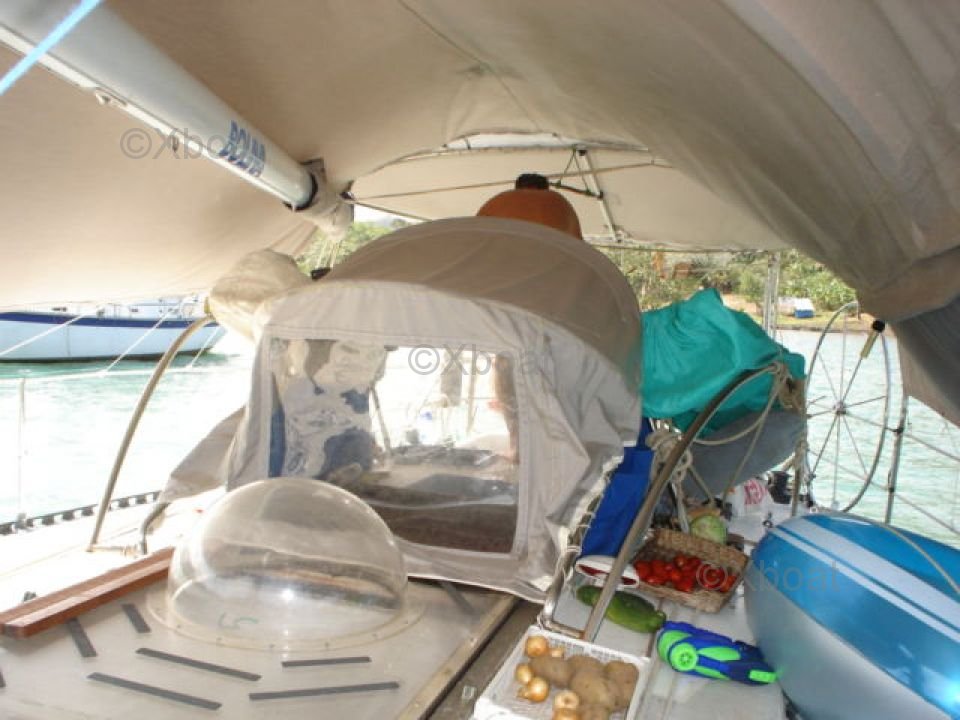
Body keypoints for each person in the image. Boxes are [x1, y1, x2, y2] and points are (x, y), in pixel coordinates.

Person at [475, 173, 585, 461]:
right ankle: (546, 452)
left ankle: (518, 447)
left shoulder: (496, 204)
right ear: (543, 187)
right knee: (543, 379)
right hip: (548, 305)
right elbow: (580, 256)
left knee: (508, 370)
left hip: (507, 302)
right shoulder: (560, 206)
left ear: (518, 186)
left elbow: (474, 249)